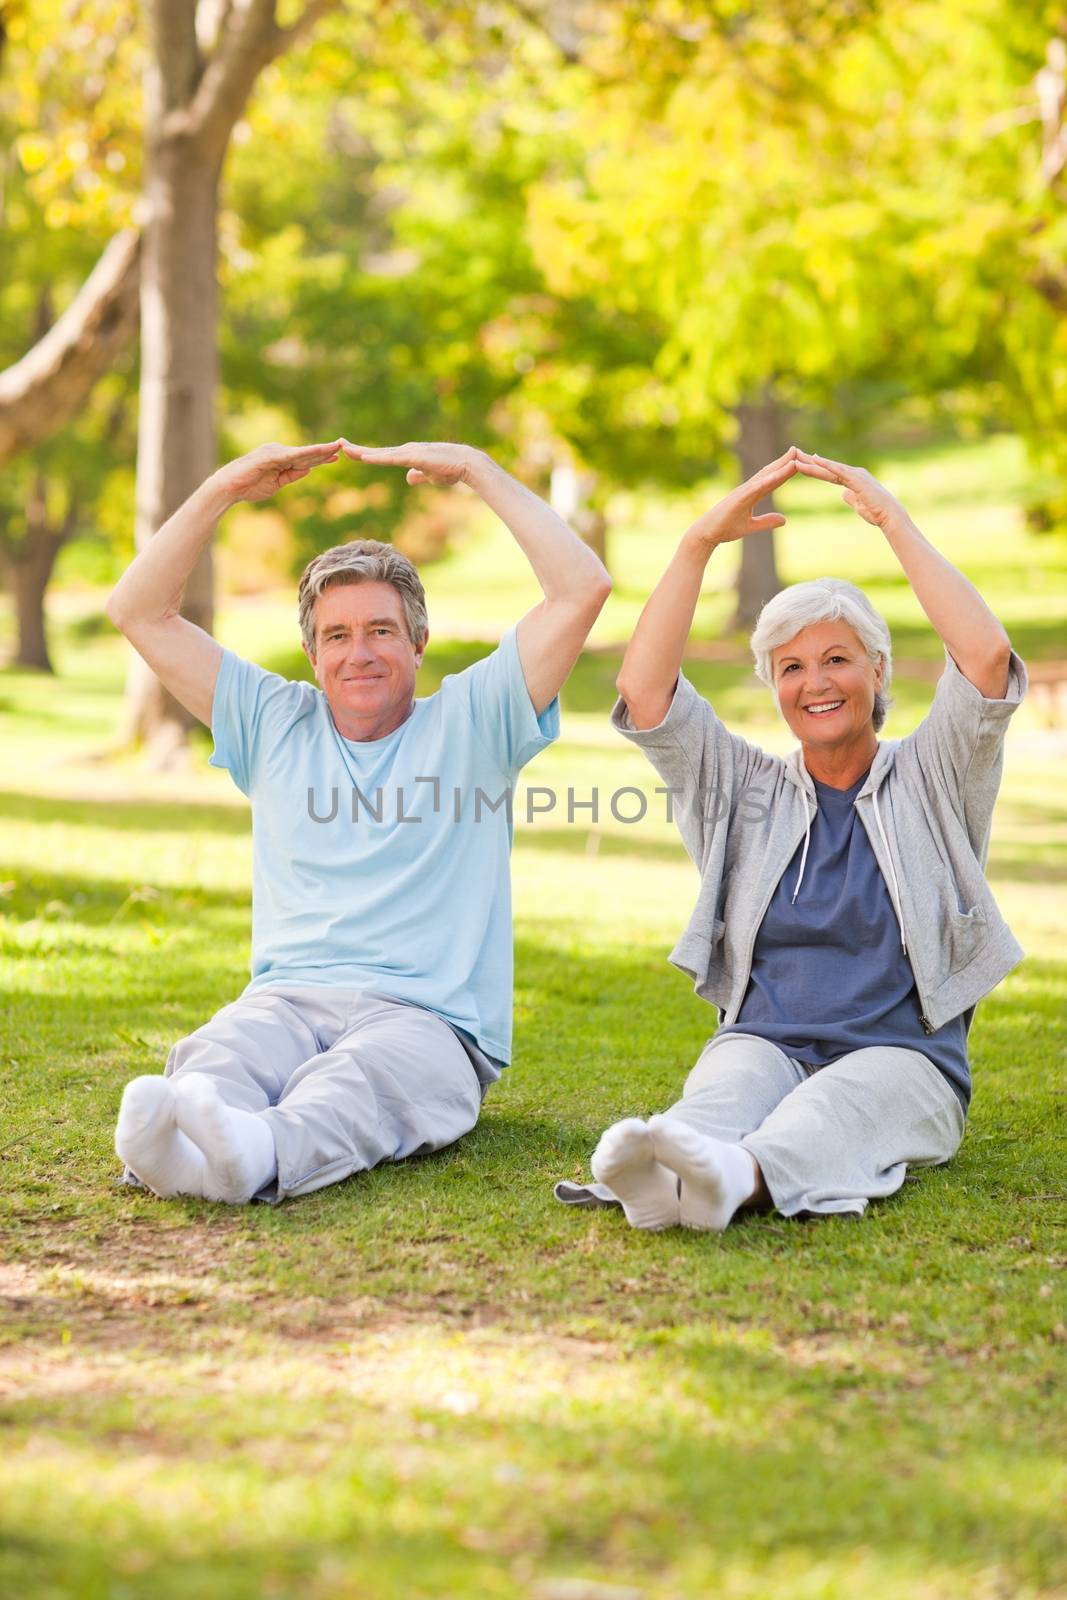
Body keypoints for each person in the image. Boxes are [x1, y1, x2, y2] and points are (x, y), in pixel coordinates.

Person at [110, 438, 611, 1203]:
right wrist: (223, 487)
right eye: (337, 636)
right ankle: (179, 1148)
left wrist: (477, 471)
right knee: (224, 1052)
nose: (360, 653)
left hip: (428, 1021)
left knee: (360, 1080)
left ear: (417, 644)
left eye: (380, 630)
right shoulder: (272, 721)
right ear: (312, 655)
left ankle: (256, 1152)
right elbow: (137, 609)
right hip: (287, 996)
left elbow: (581, 588)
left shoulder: (477, 721)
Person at [556, 446, 1026, 1230]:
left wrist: (889, 519)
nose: (815, 683)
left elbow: (983, 659)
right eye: (791, 667)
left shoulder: (934, 774)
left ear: (877, 672)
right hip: (763, 1040)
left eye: (836, 659)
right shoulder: (742, 790)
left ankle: (725, 1181)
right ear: (773, 687)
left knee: (831, 1111)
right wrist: (697, 544)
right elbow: (645, 694)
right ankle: (672, 1168)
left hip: (903, 1061)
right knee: (723, 1092)